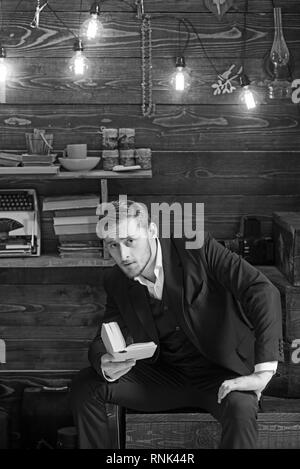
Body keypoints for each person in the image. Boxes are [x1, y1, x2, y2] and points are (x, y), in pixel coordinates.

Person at [70, 198, 283, 449]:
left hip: (223, 373)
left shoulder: (196, 247)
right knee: (85, 386)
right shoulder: (116, 280)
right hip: (166, 378)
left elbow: (261, 290)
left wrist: (262, 372)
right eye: (113, 245)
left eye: (130, 241)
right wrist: (104, 362)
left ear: (150, 231)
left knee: (241, 407)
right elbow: (104, 334)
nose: (123, 255)